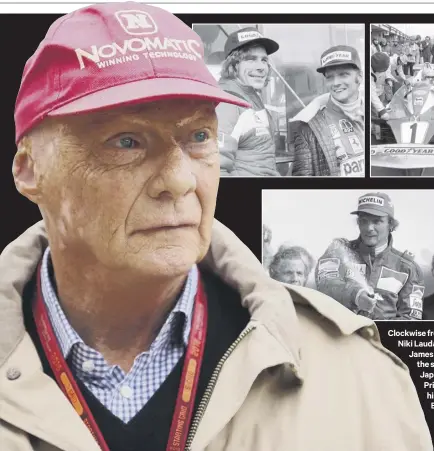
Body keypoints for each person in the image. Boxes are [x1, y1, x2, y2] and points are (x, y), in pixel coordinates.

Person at [1, 3, 432, 450]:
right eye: (126, 142)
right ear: (30, 171)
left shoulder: (358, 379)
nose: (181, 180)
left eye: (199, 138)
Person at [315, 192, 425, 321]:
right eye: (363, 221)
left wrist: (377, 332)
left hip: (382, 340)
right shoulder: (339, 252)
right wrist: (356, 295)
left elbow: (411, 318)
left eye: (377, 221)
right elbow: (324, 283)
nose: (369, 228)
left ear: (391, 224)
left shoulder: (408, 268)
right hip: (339, 336)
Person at [291, 45, 365, 177]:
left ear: (359, 77)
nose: (335, 82)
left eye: (343, 74)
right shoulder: (307, 127)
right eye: (329, 77)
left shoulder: (374, 114)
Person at [216, 27, 280, 177]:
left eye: (264, 60)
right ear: (233, 65)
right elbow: (215, 170)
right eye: (250, 59)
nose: (261, 67)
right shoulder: (226, 103)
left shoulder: (252, 99)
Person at [371, 52, 395, 121]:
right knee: (374, 113)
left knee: (382, 103)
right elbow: (372, 94)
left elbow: (386, 71)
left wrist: (388, 79)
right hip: (373, 96)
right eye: (381, 70)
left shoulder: (384, 60)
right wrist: (382, 111)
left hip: (381, 91)